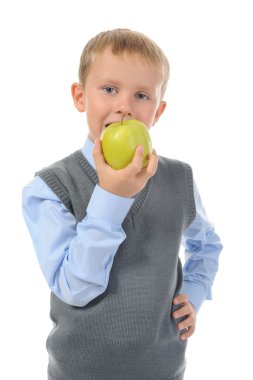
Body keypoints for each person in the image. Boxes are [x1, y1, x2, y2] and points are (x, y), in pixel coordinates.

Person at [22, 28, 223, 380]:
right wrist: (112, 198)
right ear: (80, 95)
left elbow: (206, 245)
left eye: (141, 95)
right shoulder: (50, 188)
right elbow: (76, 288)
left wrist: (193, 293)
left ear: (157, 111)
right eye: (110, 89)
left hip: (163, 370)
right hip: (78, 373)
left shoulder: (179, 179)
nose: (124, 107)